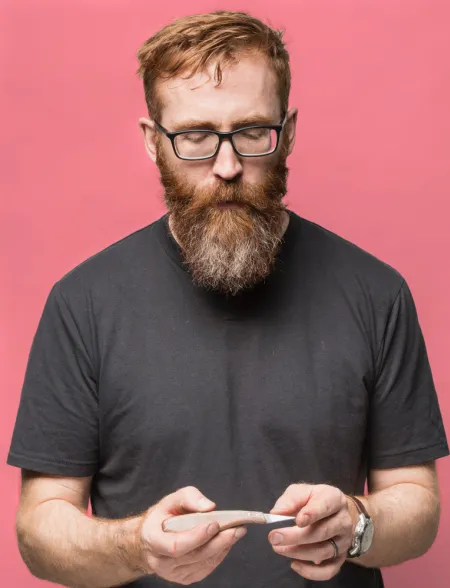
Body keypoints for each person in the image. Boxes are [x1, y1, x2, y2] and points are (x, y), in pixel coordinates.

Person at [7, 10, 449, 588]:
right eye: (194, 136)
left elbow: (416, 502)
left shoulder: (377, 291)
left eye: (250, 132)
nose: (226, 166)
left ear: (286, 132)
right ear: (152, 142)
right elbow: (39, 529)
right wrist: (136, 546)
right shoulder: (81, 302)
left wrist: (357, 523)